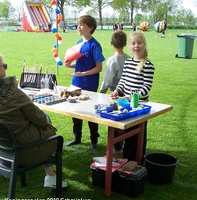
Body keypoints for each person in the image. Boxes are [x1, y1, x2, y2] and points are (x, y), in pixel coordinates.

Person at [0, 48, 67, 189]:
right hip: (21, 151)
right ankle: (50, 176)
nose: (6, 69)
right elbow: (41, 120)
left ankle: (50, 176)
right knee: (47, 123)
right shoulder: (13, 93)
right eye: (4, 66)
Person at [110, 32, 155, 161]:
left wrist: (131, 96)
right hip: (126, 103)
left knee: (137, 134)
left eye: (139, 43)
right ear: (130, 46)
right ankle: (126, 157)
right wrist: (117, 91)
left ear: (144, 45)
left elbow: (146, 87)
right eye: (133, 43)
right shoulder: (128, 62)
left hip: (140, 105)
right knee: (127, 132)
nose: (136, 46)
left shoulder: (148, 65)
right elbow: (123, 80)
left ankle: (136, 159)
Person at [64, 15, 105, 151]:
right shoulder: (78, 43)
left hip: (90, 84)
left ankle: (94, 141)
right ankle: (77, 138)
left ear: (90, 27)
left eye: (81, 25)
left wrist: (84, 73)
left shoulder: (95, 45)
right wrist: (69, 65)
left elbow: (99, 68)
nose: (78, 27)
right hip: (76, 82)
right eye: (78, 25)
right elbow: (79, 64)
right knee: (75, 111)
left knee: (91, 113)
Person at [99, 31, 130, 154]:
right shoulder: (129, 59)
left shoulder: (112, 61)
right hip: (127, 95)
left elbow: (107, 80)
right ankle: (123, 145)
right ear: (125, 43)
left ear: (111, 43)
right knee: (126, 119)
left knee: (115, 121)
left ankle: (117, 147)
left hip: (116, 95)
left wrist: (100, 94)